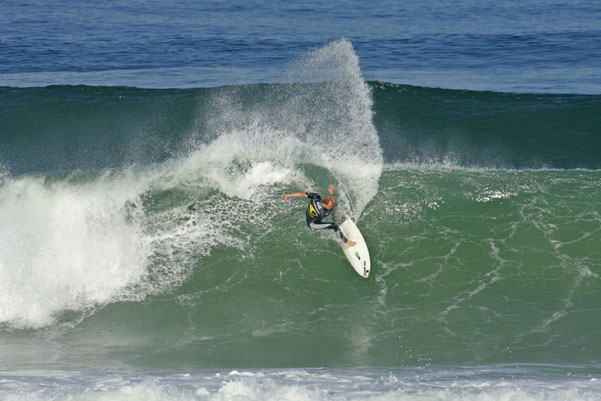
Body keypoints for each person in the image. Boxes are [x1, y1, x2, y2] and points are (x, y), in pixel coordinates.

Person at [283, 184, 357, 246]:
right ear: (324, 204)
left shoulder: (316, 197)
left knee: (333, 207)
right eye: (329, 205)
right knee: (334, 226)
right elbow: (334, 205)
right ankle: (346, 242)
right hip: (313, 224)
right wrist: (332, 194)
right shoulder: (324, 212)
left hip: (310, 215)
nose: (331, 206)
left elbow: (301, 194)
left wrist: (288, 195)